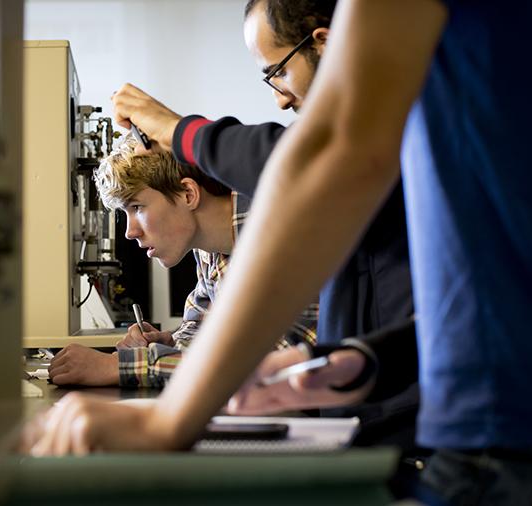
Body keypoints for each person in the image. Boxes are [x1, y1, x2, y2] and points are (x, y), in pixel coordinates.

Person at [31, 0, 532, 502]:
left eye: (276, 72)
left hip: (523, 434)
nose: (279, 100)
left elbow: (329, 151)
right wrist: (367, 357)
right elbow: (508, 285)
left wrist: (171, 420)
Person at [111, 0, 420, 452]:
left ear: (325, 44)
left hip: (416, 433)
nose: (278, 97)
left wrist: (179, 131)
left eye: (277, 71)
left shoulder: (391, 134)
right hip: (371, 426)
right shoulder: (215, 252)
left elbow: (311, 159)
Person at [48, 135, 317, 388]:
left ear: (188, 194)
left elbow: (268, 365)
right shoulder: (210, 248)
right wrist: (168, 342)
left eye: (137, 208)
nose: (130, 232)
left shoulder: (272, 231)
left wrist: (118, 366)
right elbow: (202, 326)